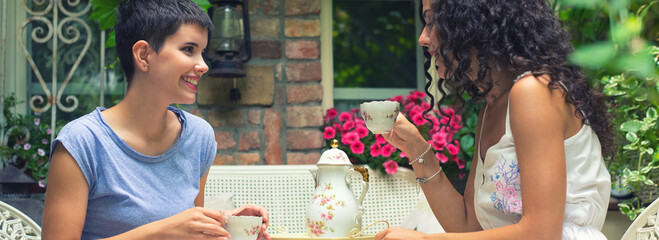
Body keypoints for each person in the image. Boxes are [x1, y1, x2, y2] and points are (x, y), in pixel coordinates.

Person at [376, 0, 613, 239]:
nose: (423, 38)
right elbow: (467, 227)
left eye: (431, 21)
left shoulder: (533, 91)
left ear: (470, 21)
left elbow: (542, 233)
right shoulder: (492, 108)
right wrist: (416, 146)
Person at [41, 0, 271, 239]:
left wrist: (225, 226)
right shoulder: (82, 143)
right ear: (144, 55)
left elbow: (185, 231)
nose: (203, 65)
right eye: (189, 49)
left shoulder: (198, 137)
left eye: (202, 52)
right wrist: (163, 230)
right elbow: (171, 229)